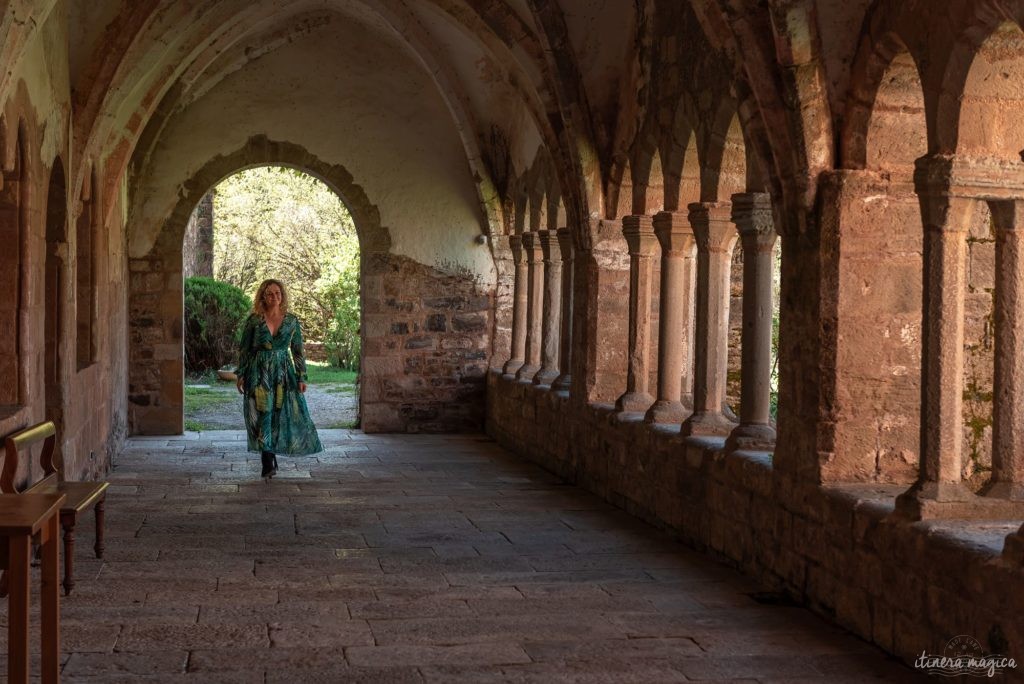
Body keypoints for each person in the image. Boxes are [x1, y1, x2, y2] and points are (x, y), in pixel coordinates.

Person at [236, 278, 323, 478]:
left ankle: (271, 452)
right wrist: (241, 374)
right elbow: (245, 350)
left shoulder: (291, 321)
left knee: (280, 413)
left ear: (282, 296)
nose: (274, 297)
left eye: (278, 293)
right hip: (259, 372)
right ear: (263, 297)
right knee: (261, 413)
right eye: (270, 294)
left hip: (283, 374)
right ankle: (267, 458)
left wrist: (302, 376)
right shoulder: (254, 321)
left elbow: (298, 351)